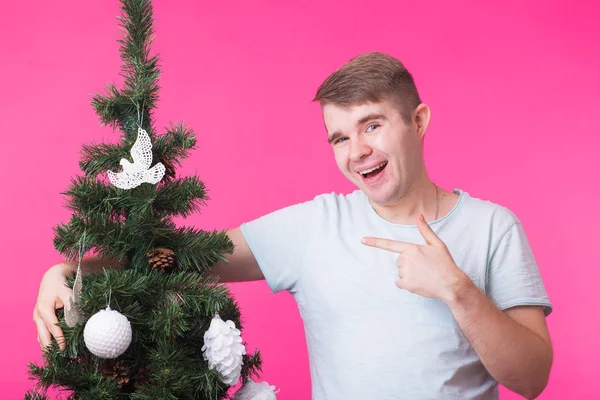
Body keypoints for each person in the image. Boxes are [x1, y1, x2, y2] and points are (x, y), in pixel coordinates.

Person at [34, 52, 553, 399]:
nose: (359, 152)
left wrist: (458, 290)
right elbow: (183, 255)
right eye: (340, 138)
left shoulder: (493, 228)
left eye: (372, 125)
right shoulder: (313, 227)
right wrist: (68, 269)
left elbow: (531, 378)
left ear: (417, 122)